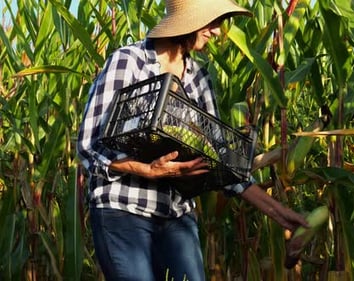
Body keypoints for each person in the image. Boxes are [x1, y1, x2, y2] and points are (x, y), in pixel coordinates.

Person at [77, 0, 309, 280]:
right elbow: (89, 144)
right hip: (123, 211)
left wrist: (282, 216)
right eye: (211, 22)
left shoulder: (199, 79)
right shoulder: (128, 62)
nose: (217, 31)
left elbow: (221, 166)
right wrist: (147, 170)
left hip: (176, 215)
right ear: (186, 20)